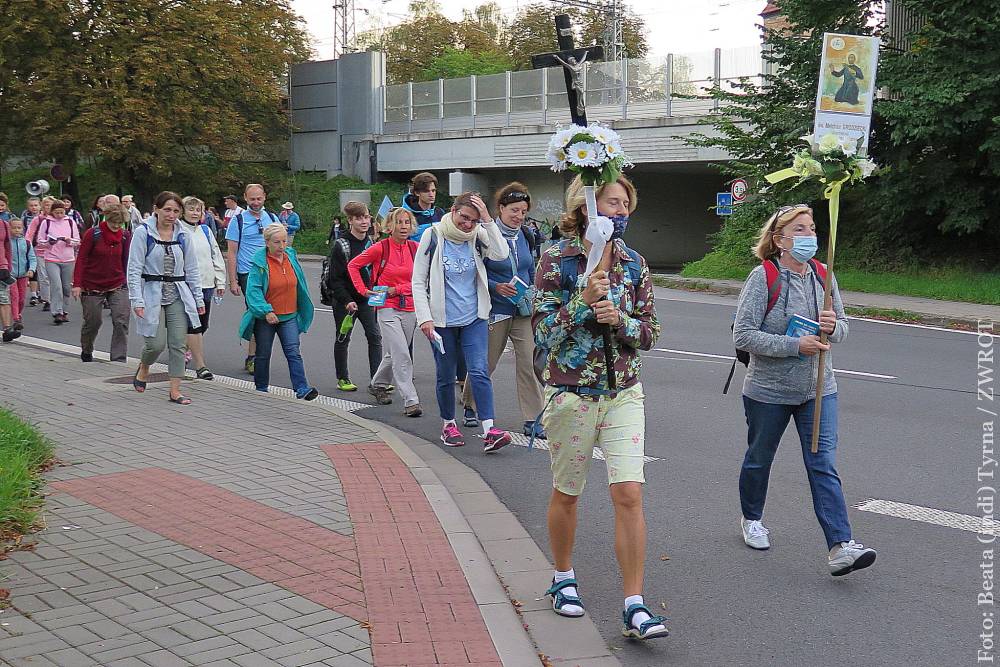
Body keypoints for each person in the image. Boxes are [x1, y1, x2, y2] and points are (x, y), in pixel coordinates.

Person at [533, 174, 667, 640]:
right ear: (586, 206)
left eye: (626, 204)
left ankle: (635, 603)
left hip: (624, 391)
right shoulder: (557, 259)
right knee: (567, 492)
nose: (620, 212)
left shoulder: (634, 263)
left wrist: (623, 321)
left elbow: (651, 332)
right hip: (571, 393)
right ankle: (563, 577)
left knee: (629, 493)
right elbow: (543, 333)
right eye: (612, 203)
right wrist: (583, 304)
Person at [733, 203, 876, 576]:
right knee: (759, 458)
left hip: (818, 388)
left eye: (811, 229)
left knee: (822, 464)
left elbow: (842, 326)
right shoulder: (763, 277)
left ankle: (840, 546)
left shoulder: (823, 275)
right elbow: (744, 335)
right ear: (779, 239)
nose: (809, 236)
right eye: (799, 230)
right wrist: (796, 346)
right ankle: (751, 518)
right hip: (768, 391)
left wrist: (832, 327)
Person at [411, 192, 512, 452]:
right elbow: (418, 281)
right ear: (453, 211)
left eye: (473, 220)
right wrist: (425, 318)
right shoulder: (433, 235)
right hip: (442, 321)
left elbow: (501, 254)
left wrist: (488, 220)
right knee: (445, 375)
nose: (468, 224)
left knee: (478, 371)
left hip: (474, 318)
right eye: (464, 218)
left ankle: (490, 429)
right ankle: (448, 425)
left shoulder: (478, 236)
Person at [460, 183, 544, 437]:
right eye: (514, 211)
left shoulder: (526, 234)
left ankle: (533, 418)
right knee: (486, 363)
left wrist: (533, 289)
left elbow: (529, 266)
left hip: (523, 310)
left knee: (529, 363)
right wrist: (497, 287)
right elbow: (475, 271)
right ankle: (470, 405)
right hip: (495, 309)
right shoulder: (485, 234)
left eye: (523, 212)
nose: (519, 216)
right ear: (501, 208)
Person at [128, 191, 206, 405]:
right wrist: (137, 299)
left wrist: (198, 299)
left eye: (175, 211)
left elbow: (192, 269)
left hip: (177, 294)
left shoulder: (183, 235)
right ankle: (144, 367)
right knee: (155, 344)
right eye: (167, 210)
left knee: (178, 343)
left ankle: (175, 390)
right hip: (151, 291)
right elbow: (133, 269)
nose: (171, 215)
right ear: (156, 209)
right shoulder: (143, 233)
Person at [348, 207, 421, 416]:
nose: (404, 226)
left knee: (395, 351)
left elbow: (419, 281)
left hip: (409, 306)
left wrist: (397, 289)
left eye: (407, 222)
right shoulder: (380, 248)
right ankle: (411, 400)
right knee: (401, 353)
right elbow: (353, 266)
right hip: (386, 307)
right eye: (399, 222)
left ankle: (378, 384)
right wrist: (363, 291)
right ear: (389, 226)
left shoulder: (415, 249)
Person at [239, 223, 318, 401]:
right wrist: (266, 311)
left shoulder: (290, 256)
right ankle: (261, 389)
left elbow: (299, 283)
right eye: (277, 242)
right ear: (267, 242)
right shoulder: (259, 263)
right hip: (267, 317)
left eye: (284, 241)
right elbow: (253, 291)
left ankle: (302, 388)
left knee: (293, 351)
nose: (282, 246)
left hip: (289, 315)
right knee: (263, 353)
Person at [327, 202, 383, 394]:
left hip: (367, 298)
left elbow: (376, 272)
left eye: (366, 217)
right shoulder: (341, 245)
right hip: (346, 301)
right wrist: (346, 300)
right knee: (343, 338)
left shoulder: (372, 243)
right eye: (359, 218)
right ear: (350, 221)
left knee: (375, 336)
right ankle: (342, 377)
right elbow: (334, 279)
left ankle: (378, 380)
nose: (364, 221)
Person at [226, 184, 281, 373]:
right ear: (245, 198)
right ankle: (254, 357)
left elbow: (281, 246)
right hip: (248, 273)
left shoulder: (272, 218)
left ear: (264, 197)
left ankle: (256, 355)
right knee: (258, 312)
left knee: (265, 315)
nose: (255, 203)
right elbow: (232, 252)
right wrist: (232, 280)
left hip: (270, 272)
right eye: (252, 199)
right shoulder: (238, 221)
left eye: (259, 199)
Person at [72, 203, 131, 362]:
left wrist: (129, 282)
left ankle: (118, 358)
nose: (116, 226)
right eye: (114, 223)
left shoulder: (125, 236)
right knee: (93, 322)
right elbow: (82, 259)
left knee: (121, 320)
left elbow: (126, 260)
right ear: (107, 219)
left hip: (117, 283)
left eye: (120, 223)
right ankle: (87, 349)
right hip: (92, 285)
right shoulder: (93, 234)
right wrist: (77, 284)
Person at [180, 196, 226, 379]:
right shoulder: (178, 230)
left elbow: (216, 255)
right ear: (183, 211)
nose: (194, 213)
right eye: (190, 209)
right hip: (186, 286)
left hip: (206, 284)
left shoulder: (206, 231)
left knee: (202, 324)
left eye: (197, 210)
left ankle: (182, 347)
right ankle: (199, 365)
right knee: (193, 325)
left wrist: (220, 281)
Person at [38, 199, 80, 325]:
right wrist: (49, 242)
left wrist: (69, 241)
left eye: (61, 212)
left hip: (68, 258)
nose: (59, 215)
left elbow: (77, 240)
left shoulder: (70, 222)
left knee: (66, 287)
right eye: (56, 212)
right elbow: (40, 240)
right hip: (52, 258)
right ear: (52, 212)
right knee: (56, 286)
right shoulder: (46, 223)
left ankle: (65, 310)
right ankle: (57, 312)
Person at [7, 218, 36, 334]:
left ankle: (18, 313)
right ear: (9, 229)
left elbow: (32, 258)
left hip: (23, 275)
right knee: (14, 296)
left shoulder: (27, 243)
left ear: (22, 229)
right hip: (11, 275)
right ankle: (16, 319)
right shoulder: (7, 243)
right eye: (13, 227)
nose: (16, 230)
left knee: (22, 298)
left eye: (19, 227)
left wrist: (31, 269)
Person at [25, 196, 54, 310]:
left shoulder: (59, 219)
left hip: (56, 253)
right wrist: (28, 248)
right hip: (40, 251)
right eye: (46, 205)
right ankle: (47, 300)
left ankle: (56, 298)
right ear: (42, 206)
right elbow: (29, 234)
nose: (49, 207)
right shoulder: (38, 219)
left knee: (55, 277)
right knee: (44, 276)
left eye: (51, 205)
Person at [402, 172, 445, 241]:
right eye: (426, 191)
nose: (431, 194)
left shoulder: (439, 212)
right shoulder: (406, 215)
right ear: (417, 193)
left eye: (433, 191)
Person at [0, 209, 15, 342]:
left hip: (1, 267)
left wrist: (7, 265)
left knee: (4, 298)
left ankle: (7, 329)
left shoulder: (4, 224)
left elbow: (7, 246)